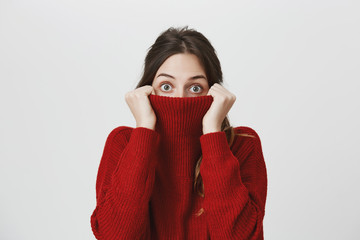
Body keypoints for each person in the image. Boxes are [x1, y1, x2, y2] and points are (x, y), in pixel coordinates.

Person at [90, 26, 268, 240]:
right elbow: (115, 235)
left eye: (195, 88)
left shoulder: (241, 145)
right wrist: (144, 128)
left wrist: (213, 133)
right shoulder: (124, 142)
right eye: (166, 86)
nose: (179, 99)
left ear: (214, 92)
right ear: (147, 89)